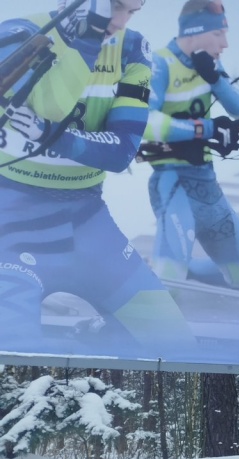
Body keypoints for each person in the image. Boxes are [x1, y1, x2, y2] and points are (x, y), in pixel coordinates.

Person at [0, 0, 195, 353]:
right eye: (115, 5)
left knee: (179, 346)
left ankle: (96, 338)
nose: (120, 21)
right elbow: (50, 108)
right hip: (11, 224)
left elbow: (120, 152)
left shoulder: (132, 48)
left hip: (87, 222)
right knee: (14, 352)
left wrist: (50, 136)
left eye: (132, 11)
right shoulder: (20, 33)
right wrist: (88, 40)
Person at [142, 0, 239, 291]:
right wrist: (205, 129)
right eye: (219, 34)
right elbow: (146, 122)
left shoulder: (211, 63)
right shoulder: (160, 62)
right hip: (172, 181)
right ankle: (167, 268)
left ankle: (188, 268)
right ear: (194, 32)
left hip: (206, 183)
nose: (225, 44)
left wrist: (215, 79)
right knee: (169, 284)